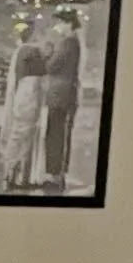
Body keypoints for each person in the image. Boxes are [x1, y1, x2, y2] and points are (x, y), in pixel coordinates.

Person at [0, 25, 48, 191]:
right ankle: (20, 176)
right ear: (34, 36)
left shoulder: (19, 52)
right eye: (40, 34)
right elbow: (42, 74)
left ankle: (10, 174)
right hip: (30, 99)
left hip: (21, 97)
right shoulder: (32, 52)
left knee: (17, 135)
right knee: (26, 136)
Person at [41, 12, 82, 185]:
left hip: (59, 96)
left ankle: (53, 172)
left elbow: (51, 66)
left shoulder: (67, 43)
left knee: (55, 133)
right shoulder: (75, 42)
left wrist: (48, 52)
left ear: (69, 24)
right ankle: (60, 170)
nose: (58, 27)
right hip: (68, 94)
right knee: (62, 133)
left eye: (60, 23)